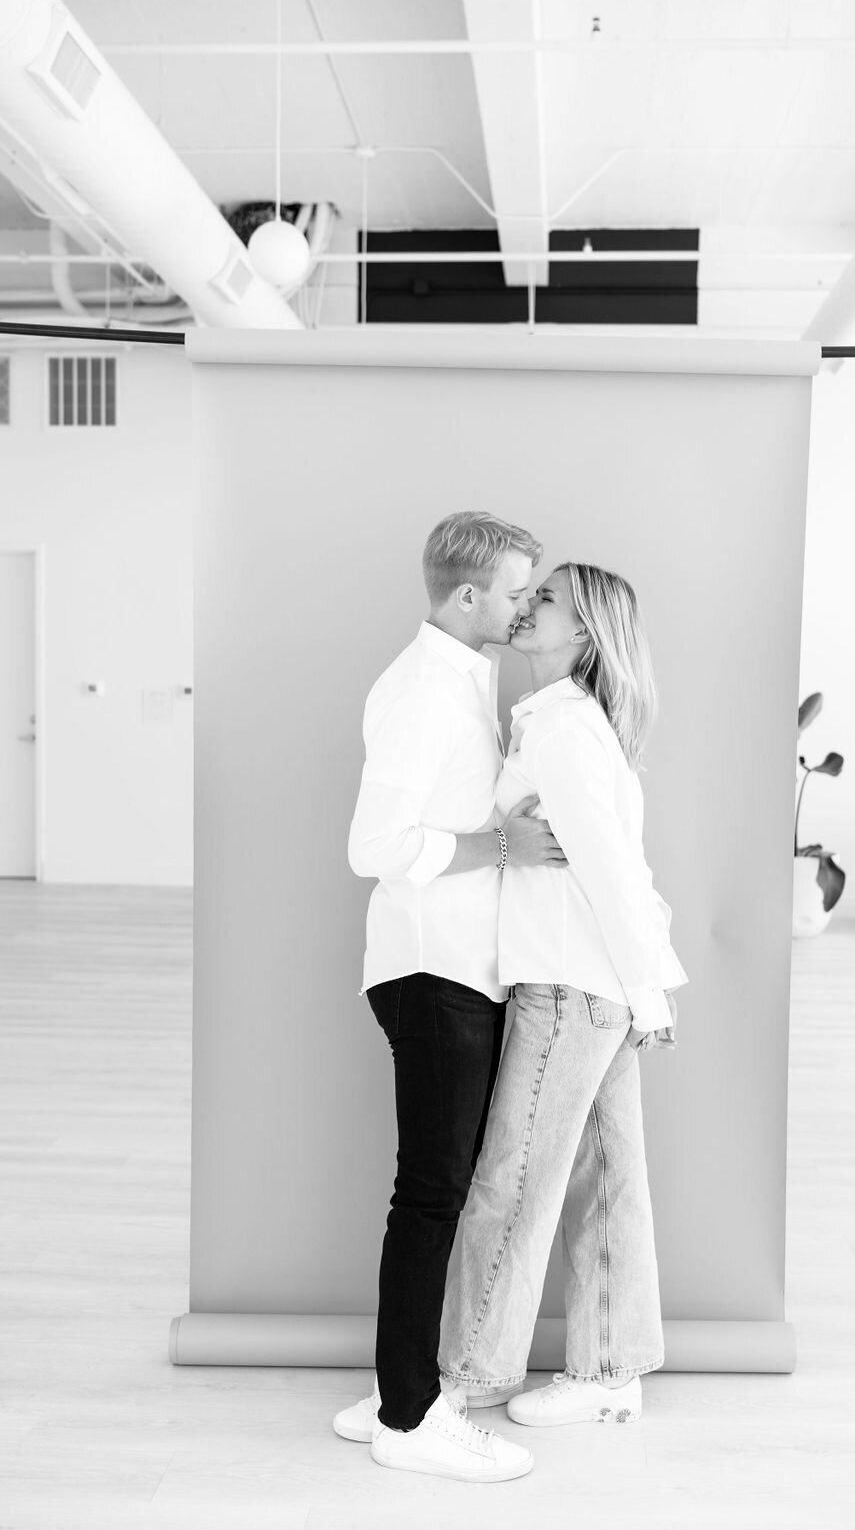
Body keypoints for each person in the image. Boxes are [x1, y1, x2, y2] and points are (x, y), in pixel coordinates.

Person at [333, 511, 566, 1484]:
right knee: (430, 1196)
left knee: (436, 1193)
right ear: (468, 595)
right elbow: (373, 846)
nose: (527, 605)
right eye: (516, 591)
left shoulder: (463, 679)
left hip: (458, 970)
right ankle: (407, 1418)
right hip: (433, 973)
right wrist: (501, 846)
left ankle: (396, 1392)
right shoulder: (424, 692)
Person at [438, 561, 687, 1427]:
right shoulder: (559, 722)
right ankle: (610, 1371)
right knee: (606, 1181)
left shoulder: (565, 732)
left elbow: (613, 874)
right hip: (593, 987)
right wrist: (646, 989)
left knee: (511, 1183)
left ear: (582, 632)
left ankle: (469, 1376)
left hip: (568, 989)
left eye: (546, 599)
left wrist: (649, 995)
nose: (526, 604)